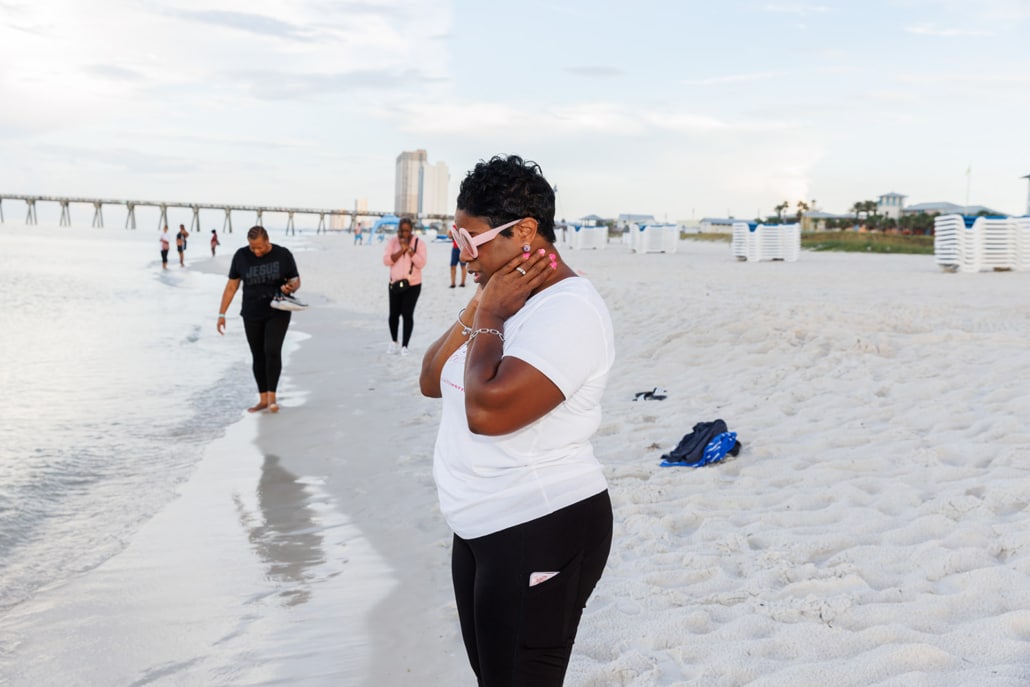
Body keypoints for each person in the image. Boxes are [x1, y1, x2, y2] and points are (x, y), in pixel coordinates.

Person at [419, 155, 615, 686]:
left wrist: (489, 314)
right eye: (455, 239)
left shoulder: (569, 311)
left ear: (525, 232)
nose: (462, 254)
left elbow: (487, 412)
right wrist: (481, 304)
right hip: (477, 527)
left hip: (538, 522)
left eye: (471, 240)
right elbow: (432, 378)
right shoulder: (501, 301)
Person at [216, 225, 301, 413]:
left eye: (260, 247)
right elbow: (231, 287)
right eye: (252, 247)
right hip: (251, 313)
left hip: (278, 310)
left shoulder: (283, 255)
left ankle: (272, 398)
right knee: (258, 355)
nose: (256, 251)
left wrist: (290, 287)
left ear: (267, 240)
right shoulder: (241, 256)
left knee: (272, 350)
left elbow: (295, 280)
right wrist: (222, 314)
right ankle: (263, 399)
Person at [382, 217, 427, 356]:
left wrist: (409, 250)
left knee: (407, 314)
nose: (404, 233)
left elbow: (421, 263)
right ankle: (394, 341)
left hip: (413, 284)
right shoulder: (392, 242)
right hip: (394, 284)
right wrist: (401, 250)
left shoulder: (419, 243)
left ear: (411, 230)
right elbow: (386, 260)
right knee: (393, 315)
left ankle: (405, 345)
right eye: (402, 230)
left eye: (407, 230)